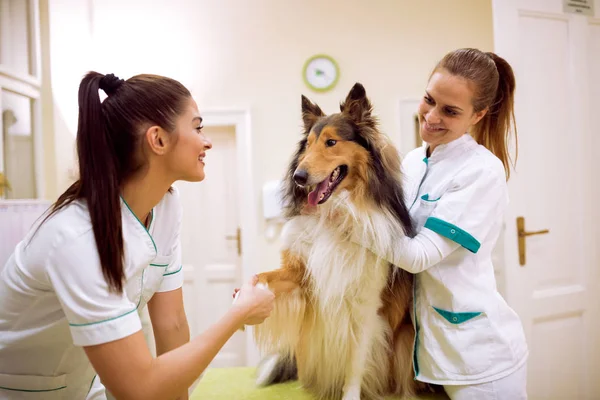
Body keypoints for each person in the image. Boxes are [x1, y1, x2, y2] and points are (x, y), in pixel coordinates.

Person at [0, 71, 274, 400]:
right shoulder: (75, 238)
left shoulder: (167, 208)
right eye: (197, 127)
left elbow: (171, 326)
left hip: (87, 386)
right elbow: (139, 388)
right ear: (157, 140)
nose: (207, 141)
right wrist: (239, 314)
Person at [351, 48, 528, 399]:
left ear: (478, 114)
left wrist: (349, 224)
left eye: (450, 111)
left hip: (478, 361)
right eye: (429, 100)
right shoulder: (414, 161)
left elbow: (417, 256)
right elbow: (387, 232)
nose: (431, 117)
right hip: (428, 354)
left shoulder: (481, 171)